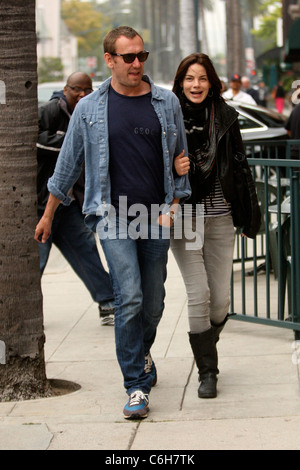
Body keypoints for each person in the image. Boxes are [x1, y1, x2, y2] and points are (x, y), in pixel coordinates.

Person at [34, 26, 191, 419]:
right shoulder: (90, 109)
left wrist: (174, 203)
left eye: (142, 55)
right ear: (110, 60)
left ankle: (141, 352)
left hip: (155, 216)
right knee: (130, 296)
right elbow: (67, 164)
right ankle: (136, 385)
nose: (137, 63)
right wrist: (49, 213)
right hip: (112, 216)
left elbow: (180, 157)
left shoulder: (166, 102)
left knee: (154, 303)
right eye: (128, 57)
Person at [171, 53, 261, 399]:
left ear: (212, 82)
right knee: (200, 295)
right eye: (190, 79)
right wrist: (173, 170)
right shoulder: (168, 115)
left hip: (221, 217)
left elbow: (240, 166)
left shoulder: (225, 116)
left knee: (220, 302)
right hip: (186, 217)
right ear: (180, 82)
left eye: (202, 78)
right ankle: (208, 372)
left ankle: (205, 343)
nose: (196, 85)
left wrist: (246, 213)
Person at [37, 72, 115, 326]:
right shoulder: (49, 111)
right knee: (35, 261)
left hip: (69, 205)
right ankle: (25, 312)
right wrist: (73, 142)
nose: (82, 94)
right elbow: (35, 140)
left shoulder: (91, 113)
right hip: (40, 205)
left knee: (87, 253)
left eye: (87, 90)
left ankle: (108, 303)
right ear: (65, 89)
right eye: (76, 89)